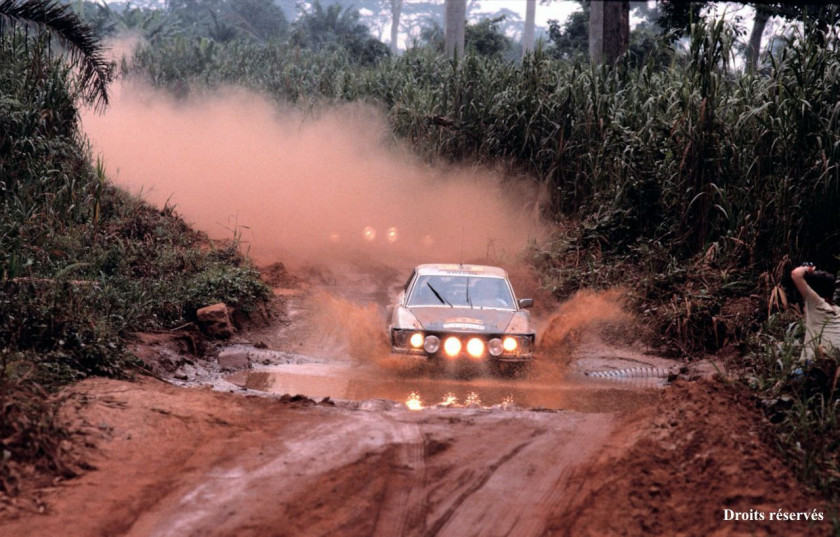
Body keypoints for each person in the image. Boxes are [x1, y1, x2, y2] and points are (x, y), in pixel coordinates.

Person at [791, 264, 840, 362]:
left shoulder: (817, 303)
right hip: (834, 364)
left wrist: (809, 269)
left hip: (813, 365)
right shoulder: (838, 310)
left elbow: (796, 274)